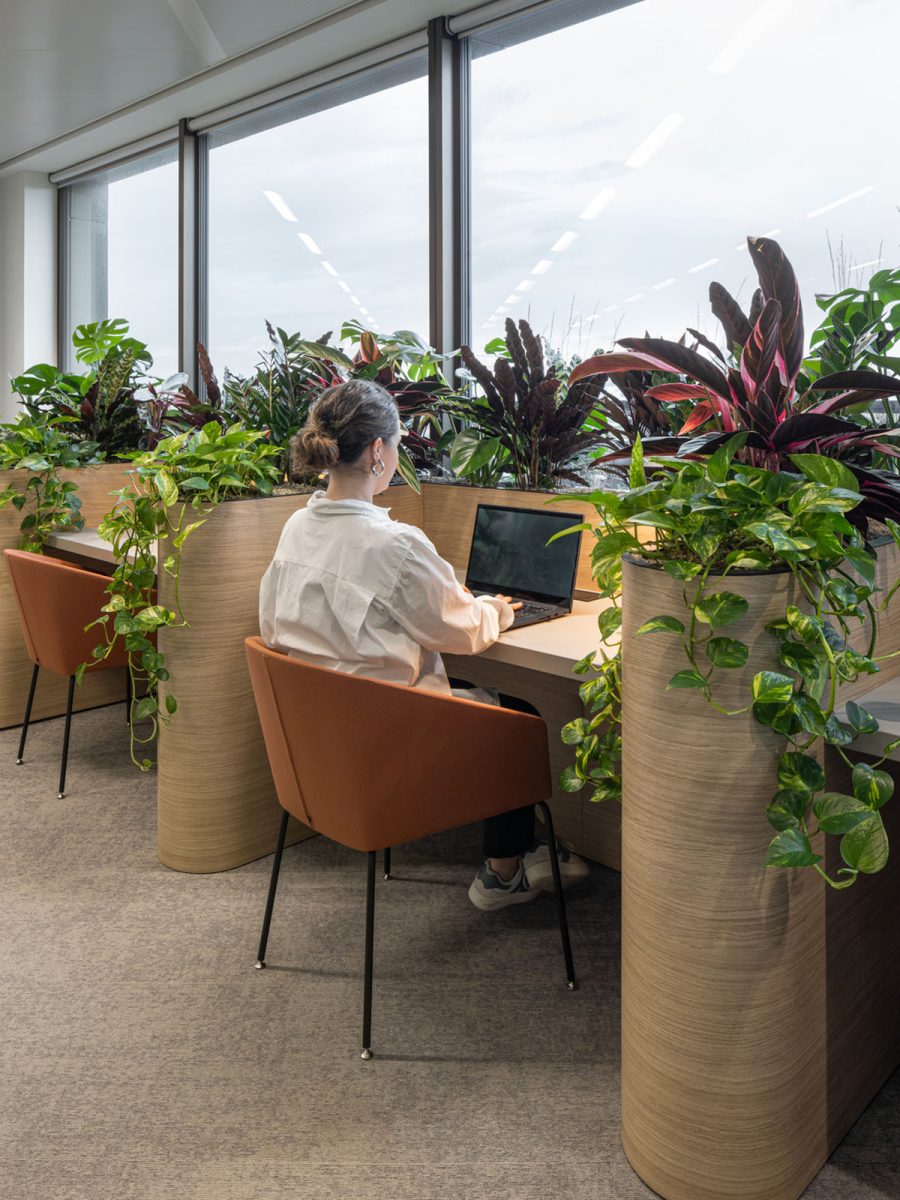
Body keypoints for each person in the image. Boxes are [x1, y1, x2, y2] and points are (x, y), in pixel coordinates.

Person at [258, 379, 588, 910]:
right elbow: (461, 632)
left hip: (324, 735)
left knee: (467, 692)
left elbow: (273, 627)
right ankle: (503, 875)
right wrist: (497, 610)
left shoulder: (298, 526)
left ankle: (512, 861)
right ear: (377, 452)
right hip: (387, 739)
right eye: (398, 445)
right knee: (520, 713)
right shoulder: (394, 543)